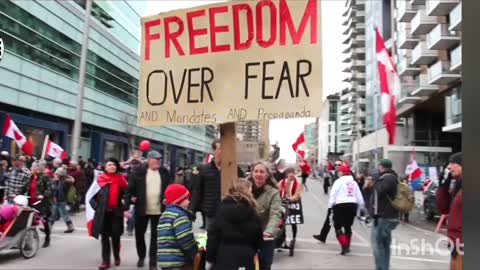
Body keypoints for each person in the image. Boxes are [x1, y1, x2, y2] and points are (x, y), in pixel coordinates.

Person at [206, 179, 263, 270]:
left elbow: (213, 237)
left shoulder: (221, 210)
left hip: (223, 257)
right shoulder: (253, 212)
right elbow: (258, 237)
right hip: (246, 257)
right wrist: (255, 251)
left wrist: (209, 259)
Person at [128, 150, 170, 270]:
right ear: (149, 160)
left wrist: (168, 198)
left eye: (160, 159)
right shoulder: (138, 172)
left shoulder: (164, 172)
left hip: (159, 209)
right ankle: (141, 256)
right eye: (156, 159)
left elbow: (169, 188)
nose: (159, 161)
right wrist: (131, 199)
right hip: (142, 209)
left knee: (156, 237)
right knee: (139, 234)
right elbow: (130, 189)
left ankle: (153, 261)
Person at [190, 139, 245, 231]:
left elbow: (243, 187)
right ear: (214, 151)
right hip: (210, 212)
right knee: (211, 240)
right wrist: (192, 210)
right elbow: (197, 191)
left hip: (229, 212)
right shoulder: (204, 169)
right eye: (220, 149)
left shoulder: (234, 168)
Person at [89, 158, 129, 270]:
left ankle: (116, 255)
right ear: (105, 167)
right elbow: (91, 197)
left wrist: (125, 205)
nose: (112, 166)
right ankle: (105, 261)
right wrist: (97, 207)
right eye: (110, 165)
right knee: (105, 237)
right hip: (103, 213)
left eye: (114, 165)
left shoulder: (121, 180)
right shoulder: (99, 180)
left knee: (116, 236)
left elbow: (127, 194)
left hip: (116, 213)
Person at [365, 159, 399, 270]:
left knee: (378, 246)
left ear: (381, 167)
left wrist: (374, 180)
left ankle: (381, 268)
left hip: (383, 217)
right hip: (387, 217)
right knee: (384, 245)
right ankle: (384, 267)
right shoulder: (391, 178)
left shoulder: (387, 178)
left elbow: (377, 192)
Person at [248, 162, 282, 270]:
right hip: (247, 234)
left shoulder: (273, 192)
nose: (258, 174)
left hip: (265, 235)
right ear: (252, 173)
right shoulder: (245, 189)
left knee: (265, 264)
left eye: (261, 172)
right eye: (256, 171)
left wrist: (269, 231)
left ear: (267, 175)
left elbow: (275, 214)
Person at [157, 184, 198, 270]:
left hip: (165, 260)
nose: (189, 201)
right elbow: (185, 238)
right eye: (186, 199)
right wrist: (194, 250)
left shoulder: (165, 214)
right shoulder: (180, 215)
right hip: (178, 260)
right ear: (178, 201)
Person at [328, 165, 364, 255]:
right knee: (348, 226)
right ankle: (347, 245)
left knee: (338, 226)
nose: (338, 173)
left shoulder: (338, 181)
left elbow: (333, 194)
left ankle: (344, 246)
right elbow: (359, 196)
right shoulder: (354, 183)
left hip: (340, 204)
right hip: (352, 205)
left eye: (339, 171)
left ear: (342, 172)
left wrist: (330, 205)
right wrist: (361, 206)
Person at [436, 153, 462, 270]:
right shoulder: (457, 185)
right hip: (455, 244)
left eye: (452, 163)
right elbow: (444, 208)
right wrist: (443, 184)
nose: (449, 167)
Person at [20, 161, 53, 247]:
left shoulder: (45, 177)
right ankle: (29, 240)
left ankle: (47, 238)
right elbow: (24, 187)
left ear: (37, 169)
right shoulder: (31, 177)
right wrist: (17, 193)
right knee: (29, 221)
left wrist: (44, 195)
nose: (31, 168)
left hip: (42, 203)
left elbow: (51, 188)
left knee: (44, 221)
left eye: (32, 167)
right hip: (30, 202)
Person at [313, 160, 343, 243]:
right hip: (334, 200)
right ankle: (323, 236)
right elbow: (327, 178)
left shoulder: (343, 175)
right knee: (330, 219)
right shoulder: (333, 173)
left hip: (340, 201)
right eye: (335, 164)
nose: (337, 166)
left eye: (339, 164)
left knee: (337, 223)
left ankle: (344, 242)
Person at [277, 167, 303, 245]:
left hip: (293, 205)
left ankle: (294, 238)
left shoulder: (297, 184)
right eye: (289, 172)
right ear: (287, 174)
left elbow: (297, 195)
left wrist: (290, 198)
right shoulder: (281, 182)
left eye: (292, 172)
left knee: (293, 222)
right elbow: (277, 191)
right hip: (283, 204)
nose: (291, 174)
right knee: (282, 223)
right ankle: (282, 239)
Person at [50, 167, 75, 233]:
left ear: (61, 175)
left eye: (57, 174)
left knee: (64, 214)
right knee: (53, 214)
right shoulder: (58, 181)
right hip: (57, 200)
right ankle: (48, 228)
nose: (55, 175)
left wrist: (56, 181)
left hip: (61, 200)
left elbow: (58, 190)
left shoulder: (64, 182)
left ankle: (70, 227)